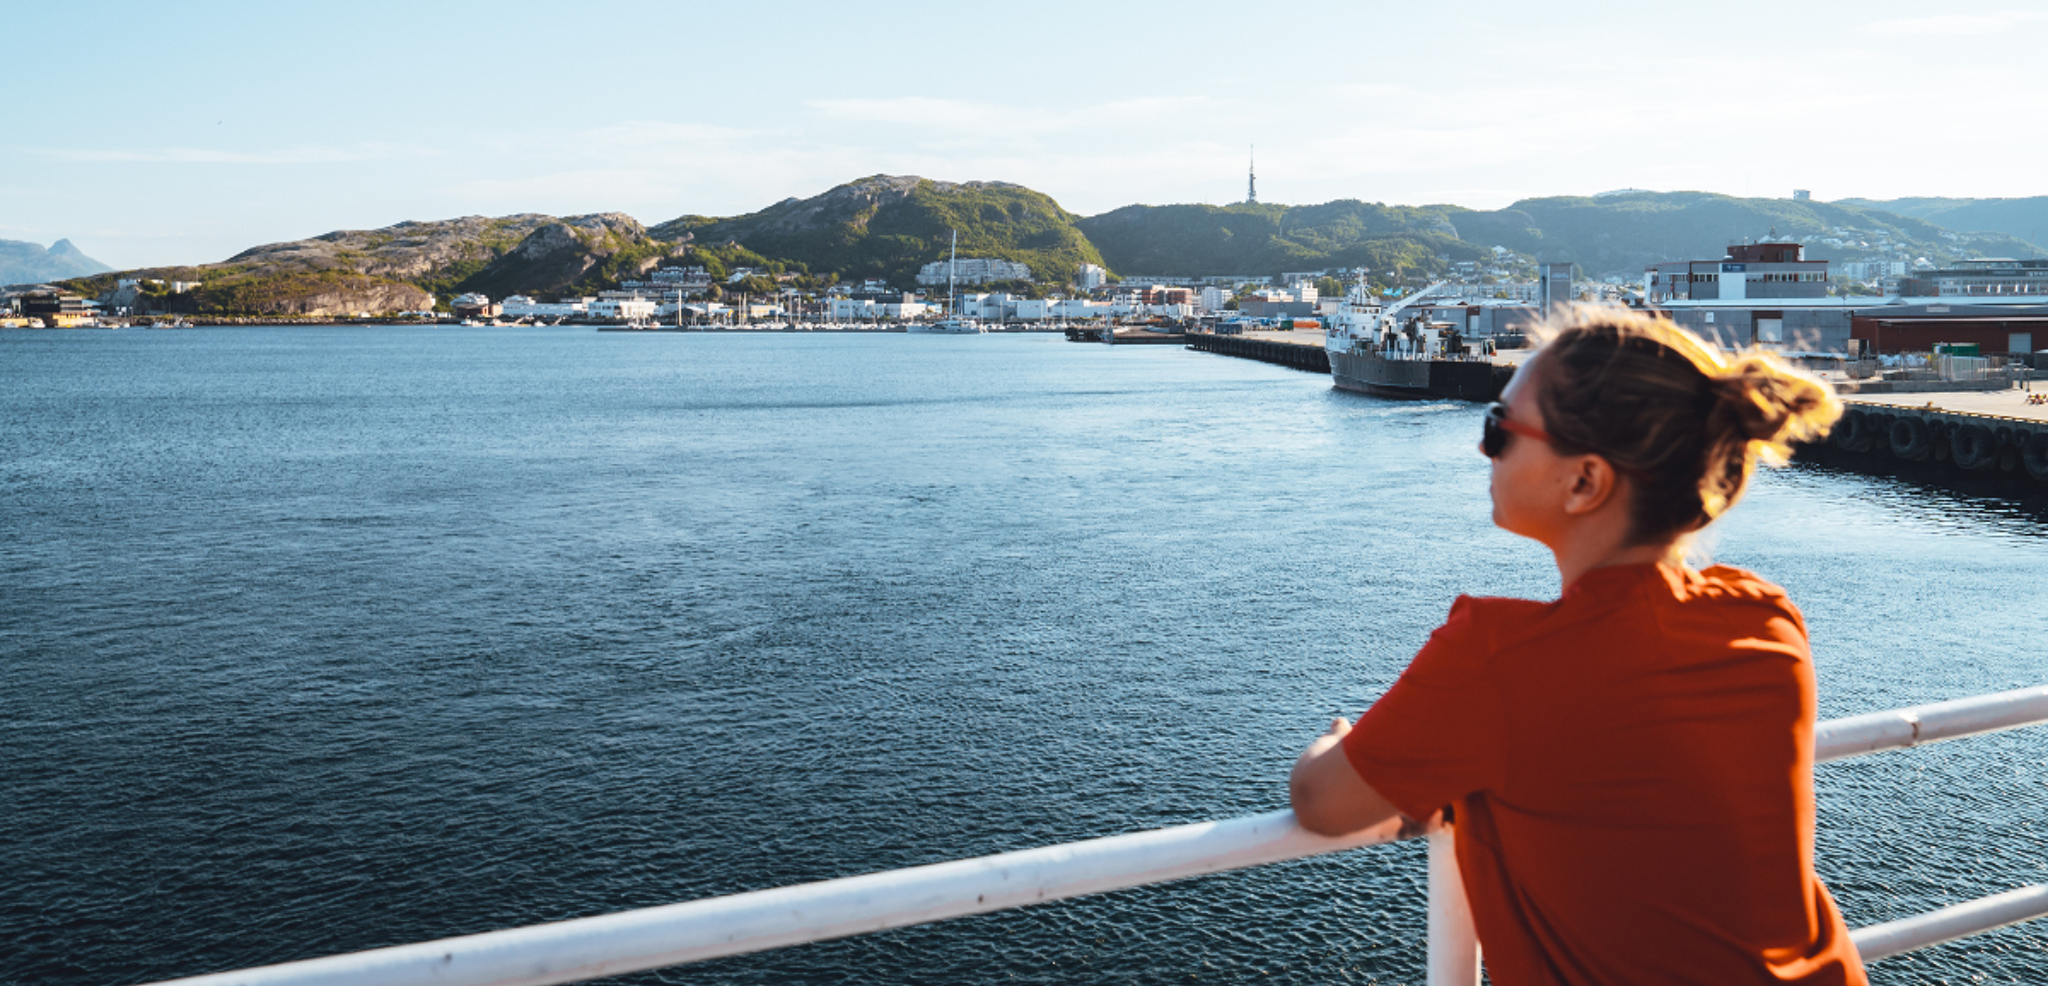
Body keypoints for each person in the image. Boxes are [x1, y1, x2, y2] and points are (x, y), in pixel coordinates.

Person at [1289, 308, 1865, 985]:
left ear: (1585, 481)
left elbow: (1321, 803)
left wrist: (1334, 741)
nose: (1483, 449)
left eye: (1499, 429)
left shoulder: (1496, 663)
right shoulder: (1766, 622)